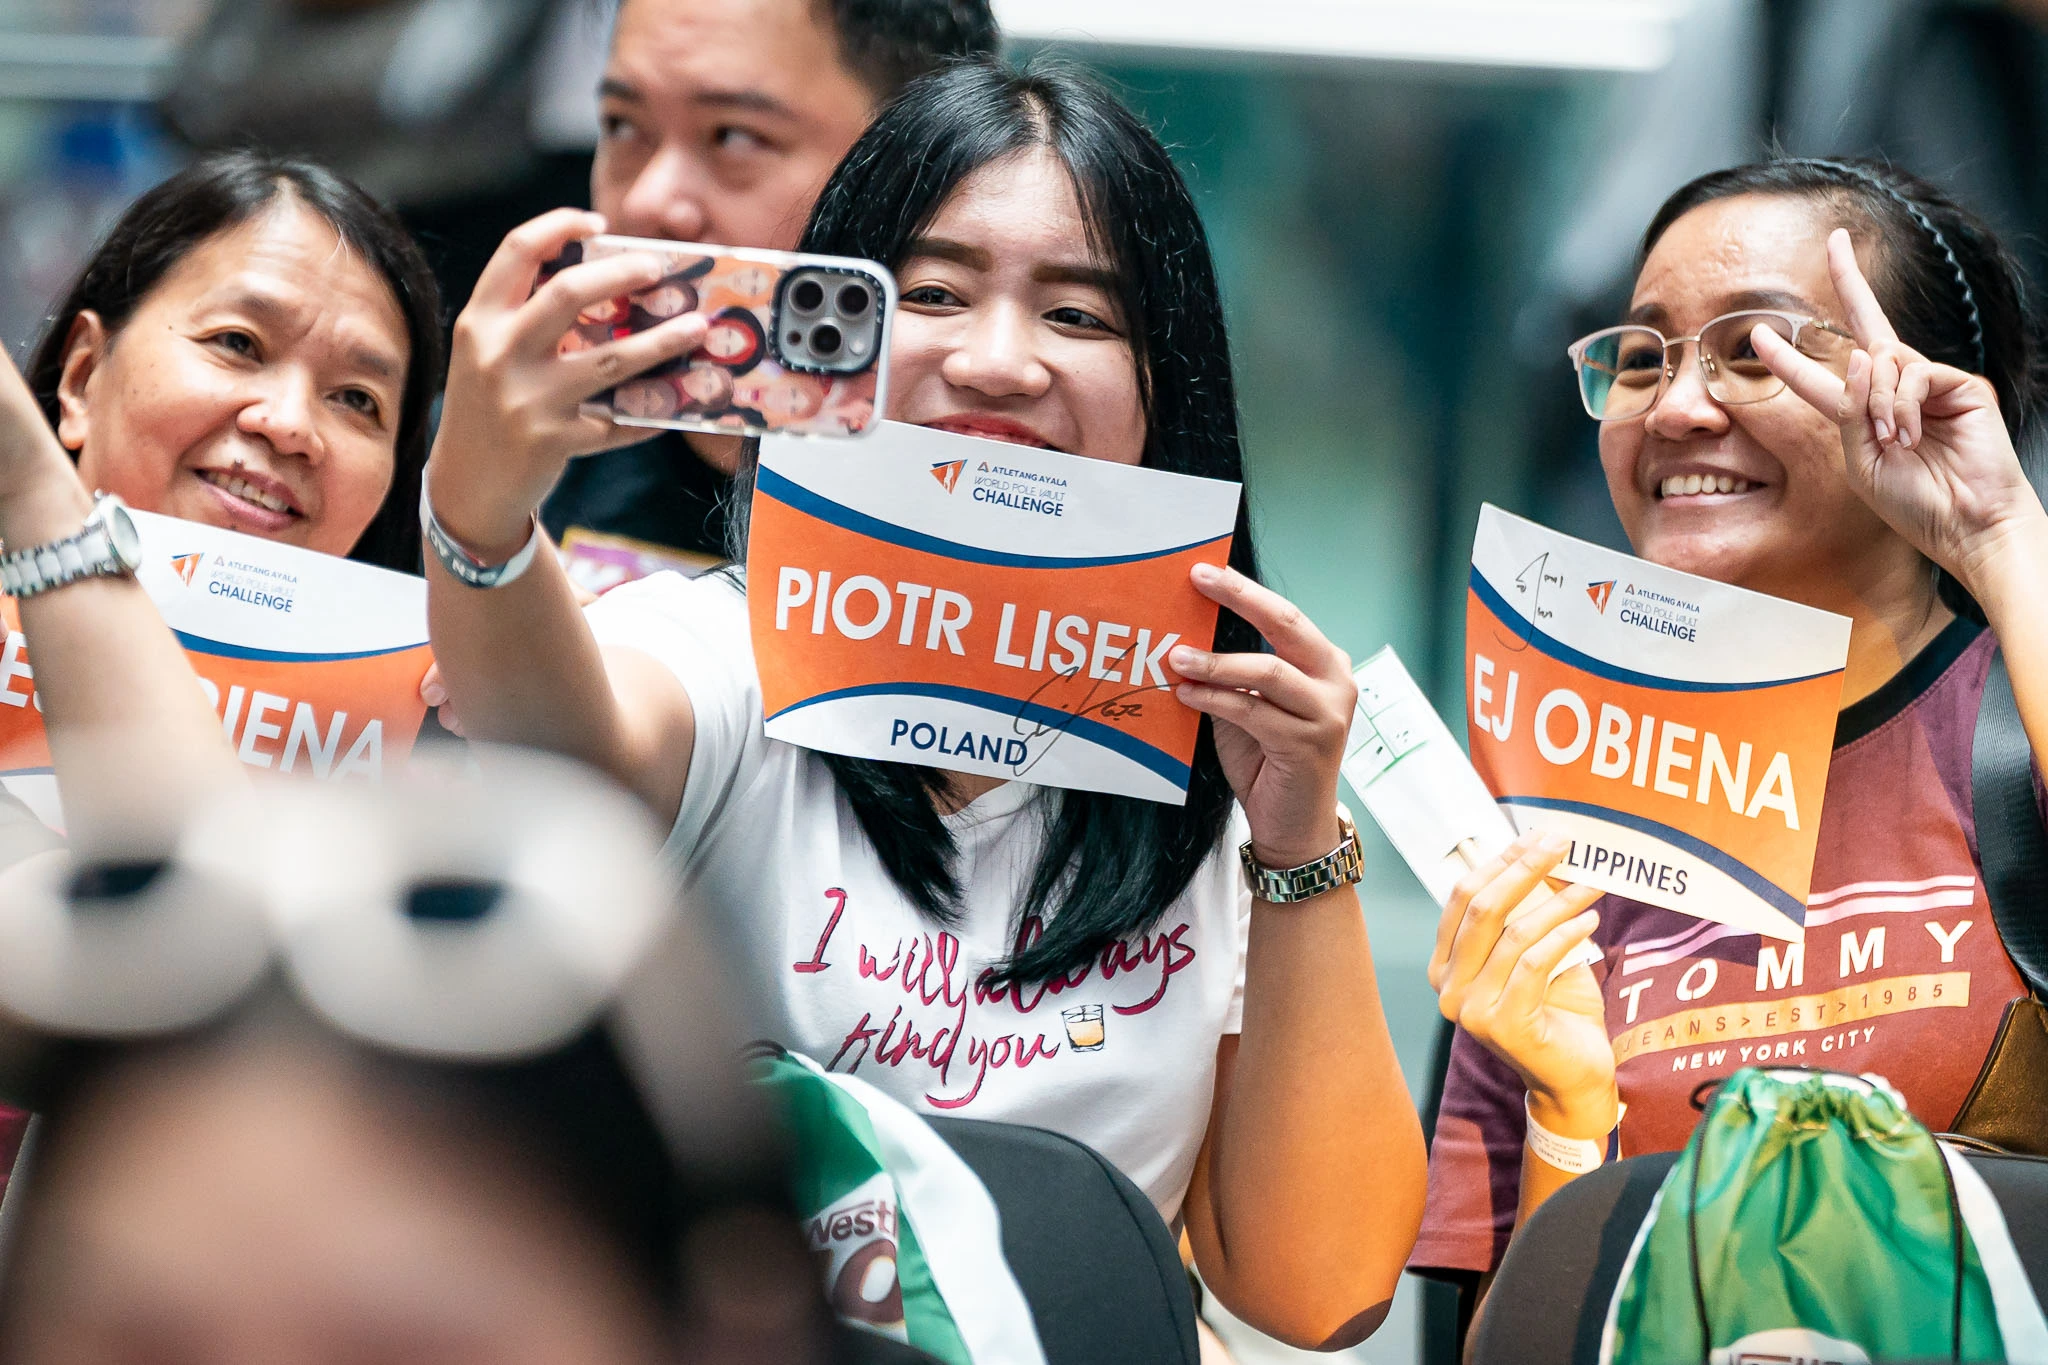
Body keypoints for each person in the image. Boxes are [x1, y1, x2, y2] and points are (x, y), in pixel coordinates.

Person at [419, 61, 1428, 1349]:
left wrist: (1299, 843)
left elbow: (1320, 1290)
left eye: (1078, 316)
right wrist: (482, 518)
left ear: (1164, 388)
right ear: (826, 348)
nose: (998, 362)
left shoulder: (1223, 759)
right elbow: (567, 733)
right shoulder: (724, 647)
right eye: (935, 296)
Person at [1414, 158, 2048, 1320]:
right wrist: (1567, 1118)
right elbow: (1497, 1330)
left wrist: (1997, 530)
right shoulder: (1555, 808)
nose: (1674, 406)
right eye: (1643, 355)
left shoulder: (2012, 725)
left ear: (1917, 388)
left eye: (1754, 350)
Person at [538, 0, 999, 563]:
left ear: (932, 156)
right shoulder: (504, 450)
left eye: (733, 136)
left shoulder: (995, 490)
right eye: (621, 123)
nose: (647, 201)